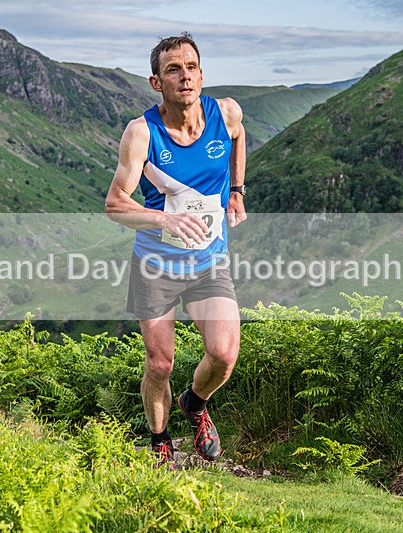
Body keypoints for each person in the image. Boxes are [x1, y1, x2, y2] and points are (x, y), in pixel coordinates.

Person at [105, 32, 247, 469]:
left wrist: (237, 189)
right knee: (160, 364)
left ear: (201, 74)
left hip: (208, 261)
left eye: (191, 67)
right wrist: (164, 219)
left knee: (223, 356)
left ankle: (195, 403)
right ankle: (161, 438)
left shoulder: (225, 112)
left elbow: (240, 138)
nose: (184, 76)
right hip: (156, 266)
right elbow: (115, 203)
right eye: (173, 69)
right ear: (156, 82)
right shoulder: (142, 132)